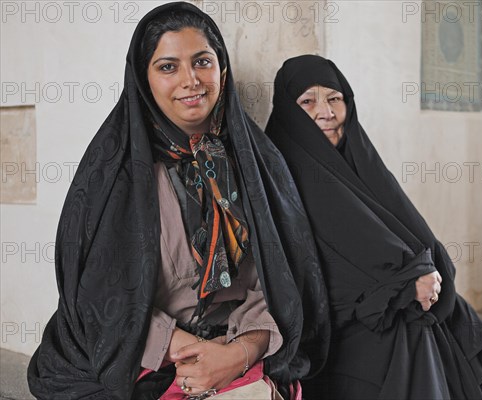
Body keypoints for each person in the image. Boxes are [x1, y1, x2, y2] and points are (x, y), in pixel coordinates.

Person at [27, 5, 329, 400]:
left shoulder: (258, 166)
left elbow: (282, 281)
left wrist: (236, 354)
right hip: (139, 356)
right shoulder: (116, 176)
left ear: (222, 69)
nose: (191, 81)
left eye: (202, 61)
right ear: (143, 79)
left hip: (236, 346)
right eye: (168, 67)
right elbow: (100, 300)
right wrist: (193, 354)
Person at [265, 54, 482, 400]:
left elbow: (407, 227)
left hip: (391, 298)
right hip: (336, 323)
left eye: (335, 98)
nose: (325, 112)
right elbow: (307, 265)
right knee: (410, 334)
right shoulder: (284, 170)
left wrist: (423, 272)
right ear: (288, 110)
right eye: (307, 101)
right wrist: (402, 287)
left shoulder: (357, 156)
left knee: (463, 325)